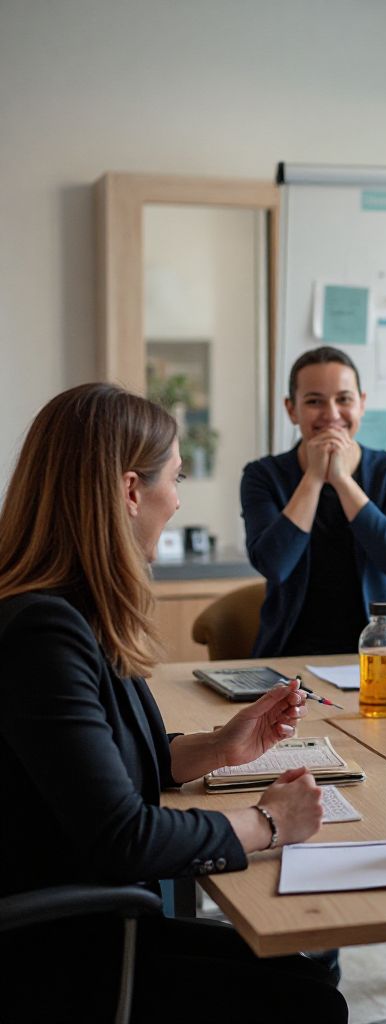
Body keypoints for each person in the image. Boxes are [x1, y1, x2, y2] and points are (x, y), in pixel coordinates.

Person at [0, 383, 348, 1023]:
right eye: (176, 477)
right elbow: (123, 835)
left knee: (305, 979)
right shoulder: (41, 634)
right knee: (308, 1003)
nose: (178, 498)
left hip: (85, 922)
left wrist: (219, 747)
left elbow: (99, 768)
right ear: (132, 490)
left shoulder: (73, 613)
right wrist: (269, 823)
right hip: (57, 957)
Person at [242, 346, 386, 656]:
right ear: (291, 410)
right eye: (314, 401)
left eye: (344, 399)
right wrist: (313, 477)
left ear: (361, 404)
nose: (332, 414)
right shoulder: (262, 475)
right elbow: (274, 565)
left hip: (381, 655)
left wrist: (342, 480)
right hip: (289, 656)